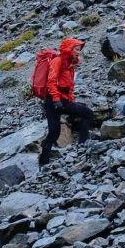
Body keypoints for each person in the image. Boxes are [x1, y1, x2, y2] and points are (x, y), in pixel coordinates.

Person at [40, 38, 96, 166]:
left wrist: (69, 99)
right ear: (68, 49)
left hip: (61, 100)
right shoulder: (58, 61)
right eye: (76, 49)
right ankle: (44, 163)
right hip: (53, 101)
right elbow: (51, 81)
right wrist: (56, 99)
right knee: (54, 132)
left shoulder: (71, 64)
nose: (79, 52)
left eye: (79, 50)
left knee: (86, 114)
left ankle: (81, 145)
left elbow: (69, 86)